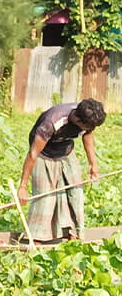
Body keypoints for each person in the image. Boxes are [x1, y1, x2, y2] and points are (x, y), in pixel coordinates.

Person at [17, 98, 105, 242]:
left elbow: (88, 135)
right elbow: (33, 153)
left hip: (66, 152)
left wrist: (93, 164)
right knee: (45, 198)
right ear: (78, 121)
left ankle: (72, 233)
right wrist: (22, 187)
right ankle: (37, 238)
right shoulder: (51, 122)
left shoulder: (88, 115)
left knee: (75, 194)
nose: (91, 129)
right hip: (43, 155)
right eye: (88, 126)